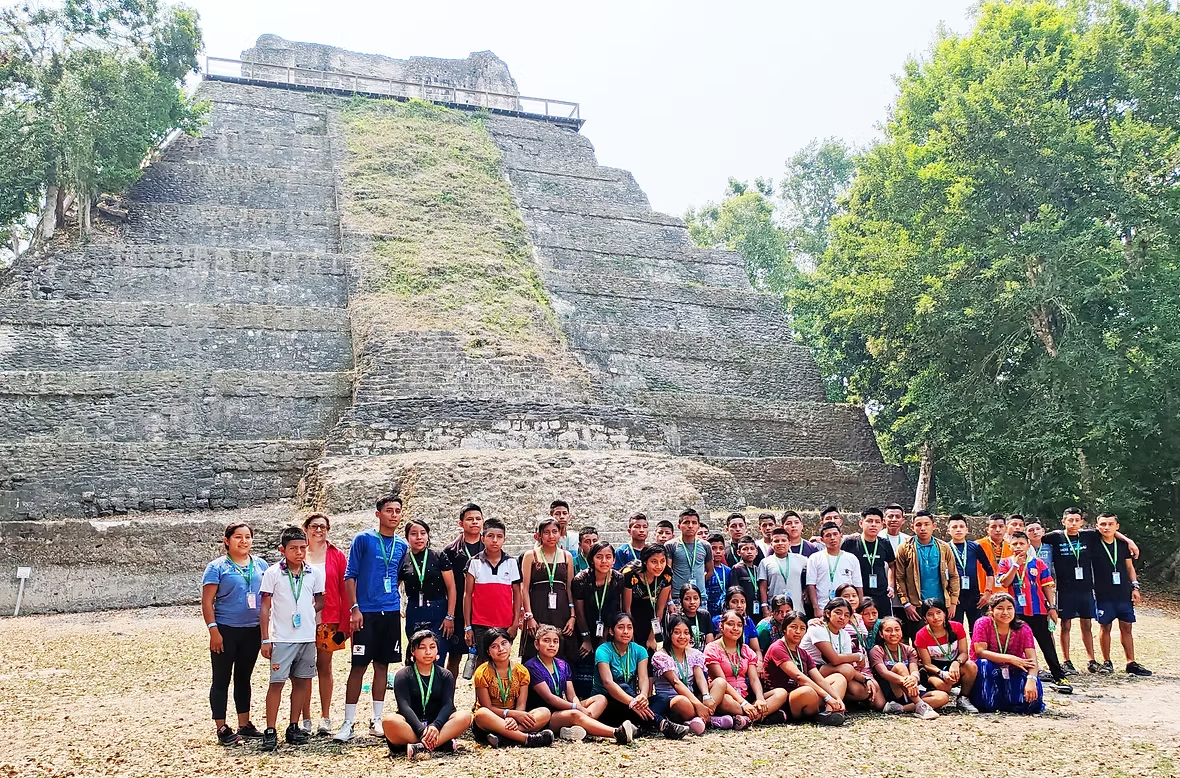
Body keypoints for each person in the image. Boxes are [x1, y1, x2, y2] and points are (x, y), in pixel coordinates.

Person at [336, 496, 409, 742]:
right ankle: (348, 722)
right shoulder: (363, 539)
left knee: (382, 666)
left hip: (390, 612)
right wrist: (354, 608)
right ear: (378, 514)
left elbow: (398, 576)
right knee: (358, 666)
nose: (394, 515)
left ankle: (376, 719)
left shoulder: (401, 545)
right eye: (389, 511)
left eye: (398, 511)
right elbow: (350, 575)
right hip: (365, 612)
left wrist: (395, 600)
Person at [258, 526, 325, 750]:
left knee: (302, 682)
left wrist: (307, 612)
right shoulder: (272, 573)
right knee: (276, 683)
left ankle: (293, 726)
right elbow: (265, 607)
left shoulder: (313, 573)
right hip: (282, 638)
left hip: (307, 638)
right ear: (282, 550)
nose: (299, 552)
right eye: (293, 548)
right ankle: (270, 729)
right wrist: (265, 639)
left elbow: (320, 600)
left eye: (303, 548)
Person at [202, 522, 268, 745]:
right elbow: (207, 602)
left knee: (244, 678)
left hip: (252, 629)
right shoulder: (217, 567)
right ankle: (221, 727)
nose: (244, 541)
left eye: (247, 536)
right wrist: (213, 631)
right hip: (225, 629)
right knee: (221, 679)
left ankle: (244, 723)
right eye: (238, 537)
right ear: (227, 541)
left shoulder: (260, 564)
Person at [523, 624, 638, 744]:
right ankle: (617, 732)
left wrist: (578, 705)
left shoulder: (562, 665)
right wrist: (576, 708)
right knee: (575, 714)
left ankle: (575, 729)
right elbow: (549, 698)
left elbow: (572, 695)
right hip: (546, 715)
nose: (552, 645)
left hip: (562, 708)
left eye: (555, 641)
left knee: (600, 699)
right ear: (536, 644)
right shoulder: (532, 666)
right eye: (546, 641)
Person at [995, 531, 1071, 692]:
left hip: (1038, 611)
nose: (1018, 547)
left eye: (1021, 544)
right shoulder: (1005, 562)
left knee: (1047, 644)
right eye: (1014, 544)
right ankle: (1013, 677)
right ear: (1009, 546)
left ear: (1028, 545)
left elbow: (1046, 586)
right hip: (1015, 612)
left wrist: (1052, 607)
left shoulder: (1038, 563)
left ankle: (1059, 677)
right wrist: (1015, 565)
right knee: (1013, 644)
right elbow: (1005, 582)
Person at [385, 630, 472, 759]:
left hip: (437, 727)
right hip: (411, 726)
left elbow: (448, 705)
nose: (428, 652)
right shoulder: (403, 675)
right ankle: (439, 743)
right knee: (389, 720)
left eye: (432, 647)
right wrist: (421, 731)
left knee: (464, 716)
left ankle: (419, 747)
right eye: (422, 648)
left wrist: (436, 725)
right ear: (413, 651)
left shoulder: (445, 675)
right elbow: (404, 707)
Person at [594, 613, 685, 736]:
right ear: (611, 631)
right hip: (609, 703)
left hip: (631, 705)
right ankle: (661, 723)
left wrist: (643, 695)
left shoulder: (639, 650)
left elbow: (643, 678)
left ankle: (638, 727)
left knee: (663, 699)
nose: (626, 632)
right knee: (622, 686)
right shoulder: (603, 650)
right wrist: (632, 702)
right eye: (621, 627)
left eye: (629, 627)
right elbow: (608, 682)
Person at [299, 513, 349, 736]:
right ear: (306, 529)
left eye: (323, 526)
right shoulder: (298, 552)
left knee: (324, 667)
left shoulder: (336, 555)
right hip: (301, 619)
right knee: (303, 669)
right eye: (314, 526)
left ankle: (325, 716)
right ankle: (305, 718)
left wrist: (345, 623)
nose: (318, 530)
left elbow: (345, 589)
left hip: (328, 618)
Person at [1090, 513, 1152, 676]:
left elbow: (1130, 567)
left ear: (1117, 526)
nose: (1106, 527)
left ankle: (1131, 662)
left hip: (1123, 592)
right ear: (1097, 526)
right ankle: (1107, 662)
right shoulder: (1093, 542)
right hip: (1102, 593)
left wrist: (1135, 587)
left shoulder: (1123, 545)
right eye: (1103, 524)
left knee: (1127, 627)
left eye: (1111, 524)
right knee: (1105, 627)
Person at [471, 628, 554, 748]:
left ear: (510, 644)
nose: (501, 649)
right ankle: (527, 739)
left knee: (544, 712)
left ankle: (503, 737)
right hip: (491, 719)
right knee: (481, 714)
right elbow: (487, 707)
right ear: (488, 652)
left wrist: (514, 718)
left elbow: (521, 704)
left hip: (515, 718)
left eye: (504, 643)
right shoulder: (482, 672)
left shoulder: (521, 671)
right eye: (494, 646)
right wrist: (510, 715)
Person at [704, 610, 788, 727]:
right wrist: (743, 703)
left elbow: (754, 679)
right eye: (730, 624)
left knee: (781, 693)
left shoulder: (746, 649)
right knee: (724, 700)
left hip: (745, 695)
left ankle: (746, 718)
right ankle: (758, 716)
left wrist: (760, 699)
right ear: (721, 626)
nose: (735, 628)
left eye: (739, 625)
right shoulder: (712, 648)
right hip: (726, 695)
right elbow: (722, 682)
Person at [761, 610, 847, 725]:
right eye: (793, 627)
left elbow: (819, 679)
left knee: (838, 678)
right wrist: (827, 697)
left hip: (803, 695)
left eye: (802, 628)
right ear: (785, 629)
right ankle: (816, 715)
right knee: (807, 691)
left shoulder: (803, 653)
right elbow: (798, 677)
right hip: (784, 699)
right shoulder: (777, 647)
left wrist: (837, 698)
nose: (798, 632)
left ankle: (828, 713)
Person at [799, 597, 883, 709]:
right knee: (845, 671)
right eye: (838, 613)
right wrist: (859, 656)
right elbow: (835, 659)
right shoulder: (818, 628)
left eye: (847, 615)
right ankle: (831, 709)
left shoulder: (844, 634)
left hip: (831, 671)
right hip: (810, 671)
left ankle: (832, 701)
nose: (842, 617)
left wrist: (865, 679)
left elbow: (846, 664)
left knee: (862, 690)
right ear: (827, 613)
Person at [969, 593, 1044, 714]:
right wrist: (1010, 658)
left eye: (1009, 608)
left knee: (1032, 704)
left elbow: (1032, 660)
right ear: (991, 610)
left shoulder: (1023, 628)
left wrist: (1031, 680)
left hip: (1013, 670)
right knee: (983, 664)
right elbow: (980, 652)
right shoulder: (983, 623)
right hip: (990, 670)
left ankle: (1008, 701)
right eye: (1000, 608)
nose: (1005, 612)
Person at [463, 518, 523, 668]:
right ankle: (481, 685)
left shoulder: (512, 562)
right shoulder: (474, 562)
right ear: (483, 538)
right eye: (490, 536)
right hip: (480, 623)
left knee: (502, 660)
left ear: (504, 539)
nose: (495, 540)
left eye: (499, 537)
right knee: (483, 662)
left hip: (505, 623)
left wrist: (515, 623)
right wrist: (468, 626)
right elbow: (467, 595)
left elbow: (517, 593)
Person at [651, 615, 725, 733]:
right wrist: (698, 704)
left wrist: (706, 696)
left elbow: (700, 677)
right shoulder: (661, 656)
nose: (682, 636)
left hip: (692, 698)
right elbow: (675, 682)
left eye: (686, 633)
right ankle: (709, 719)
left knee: (720, 682)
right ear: (669, 634)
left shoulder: (695, 654)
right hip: (673, 701)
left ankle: (701, 720)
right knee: (681, 701)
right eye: (677, 632)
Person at [400, 519, 456, 671]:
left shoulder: (439, 556)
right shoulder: (403, 559)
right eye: (414, 534)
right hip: (414, 611)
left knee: (437, 655)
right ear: (407, 537)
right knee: (416, 655)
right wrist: (398, 606)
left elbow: (451, 588)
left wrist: (450, 616)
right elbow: (394, 586)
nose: (419, 537)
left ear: (428, 535)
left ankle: (436, 686)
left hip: (438, 611)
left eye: (423, 533)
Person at [894, 511, 959, 640]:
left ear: (934, 526)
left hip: (941, 603)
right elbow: (899, 577)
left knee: (943, 640)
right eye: (918, 525)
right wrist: (906, 603)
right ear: (912, 527)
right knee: (920, 641)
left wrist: (953, 602)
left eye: (926, 524)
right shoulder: (904, 548)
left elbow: (953, 575)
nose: (923, 528)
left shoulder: (944, 547)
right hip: (917, 605)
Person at [571, 541, 624, 697]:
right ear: (592, 559)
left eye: (608, 557)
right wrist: (586, 638)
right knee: (584, 670)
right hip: (584, 628)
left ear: (614, 559)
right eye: (599, 557)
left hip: (607, 628)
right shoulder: (581, 579)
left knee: (607, 666)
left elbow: (613, 609)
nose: (604, 561)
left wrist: (605, 637)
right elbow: (579, 612)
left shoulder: (618, 578)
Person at [520, 518, 577, 663]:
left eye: (554, 532)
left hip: (561, 610)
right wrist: (529, 616)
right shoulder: (530, 555)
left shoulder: (567, 556)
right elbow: (524, 588)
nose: (551, 536)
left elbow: (570, 588)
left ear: (560, 533)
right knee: (534, 651)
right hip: (537, 609)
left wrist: (572, 616)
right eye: (546, 532)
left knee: (561, 650)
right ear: (539, 535)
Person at [440, 503, 484, 679]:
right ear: (461, 523)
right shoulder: (450, 551)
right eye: (470, 519)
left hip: (483, 611)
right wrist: (449, 615)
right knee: (454, 657)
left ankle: (480, 696)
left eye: (478, 519)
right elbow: (446, 586)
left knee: (483, 659)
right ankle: (449, 694)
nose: (474, 522)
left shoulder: (490, 548)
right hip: (458, 611)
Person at [869, 617, 945, 718]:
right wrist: (905, 681)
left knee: (943, 697)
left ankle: (900, 708)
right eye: (888, 630)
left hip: (910, 689)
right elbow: (883, 672)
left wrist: (913, 678)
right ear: (881, 634)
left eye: (897, 629)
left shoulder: (909, 650)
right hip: (891, 689)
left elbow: (914, 670)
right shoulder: (877, 650)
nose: (893, 633)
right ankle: (920, 705)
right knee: (900, 666)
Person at [913, 599, 979, 713]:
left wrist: (956, 663)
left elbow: (964, 653)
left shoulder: (957, 627)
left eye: (939, 612)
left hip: (955, 665)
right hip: (934, 670)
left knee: (971, 666)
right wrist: (942, 674)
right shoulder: (921, 635)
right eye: (930, 614)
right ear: (924, 618)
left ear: (945, 613)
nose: (935, 617)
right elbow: (927, 664)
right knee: (944, 686)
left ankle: (963, 698)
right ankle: (934, 693)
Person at [621, 543, 672, 653]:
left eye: (662, 561)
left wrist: (651, 637)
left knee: (650, 648)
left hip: (651, 610)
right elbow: (626, 609)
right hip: (631, 611)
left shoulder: (667, 574)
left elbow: (660, 608)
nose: (659, 566)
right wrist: (630, 633)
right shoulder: (630, 574)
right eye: (654, 562)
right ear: (645, 561)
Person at [946, 514, 994, 632]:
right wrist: (949, 595)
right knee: (954, 630)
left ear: (967, 530)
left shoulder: (975, 546)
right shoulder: (945, 548)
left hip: (974, 597)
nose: (958, 529)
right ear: (948, 531)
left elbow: (989, 570)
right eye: (954, 527)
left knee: (977, 630)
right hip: (955, 598)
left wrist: (987, 593)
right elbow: (941, 573)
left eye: (961, 526)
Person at [842, 507, 895, 609]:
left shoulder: (885, 543)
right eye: (869, 521)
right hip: (858, 593)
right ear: (861, 523)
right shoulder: (850, 542)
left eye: (877, 522)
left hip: (881, 593)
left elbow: (892, 565)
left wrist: (891, 585)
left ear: (882, 525)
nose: (873, 525)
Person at [805, 521, 862, 615]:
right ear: (822, 539)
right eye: (828, 535)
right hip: (823, 607)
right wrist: (816, 608)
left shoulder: (851, 558)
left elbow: (858, 585)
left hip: (847, 608)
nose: (832, 538)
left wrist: (858, 608)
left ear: (841, 536)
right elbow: (811, 585)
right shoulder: (814, 558)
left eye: (835, 534)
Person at [664, 509, 714, 605]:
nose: (690, 526)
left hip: (700, 597)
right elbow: (667, 574)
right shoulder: (671, 545)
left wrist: (699, 582)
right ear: (679, 526)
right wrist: (669, 600)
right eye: (686, 522)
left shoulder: (706, 545)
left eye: (694, 523)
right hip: (677, 597)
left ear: (698, 526)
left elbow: (710, 571)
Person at [758, 527, 806, 618]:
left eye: (783, 540)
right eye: (776, 541)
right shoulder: (765, 562)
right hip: (775, 609)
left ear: (789, 543)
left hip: (797, 608)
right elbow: (763, 587)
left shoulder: (801, 560)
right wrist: (765, 607)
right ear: (771, 544)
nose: (780, 543)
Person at [711, 587, 762, 659]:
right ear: (727, 604)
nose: (739, 606)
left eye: (742, 602)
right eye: (734, 602)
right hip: (723, 659)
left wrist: (759, 662)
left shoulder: (748, 621)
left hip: (745, 659)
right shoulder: (717, 621)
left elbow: (756, 650)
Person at [883, 503, 911, 626]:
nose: (894, 519)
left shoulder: (909, 540)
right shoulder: (876, 538)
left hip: (904, 595)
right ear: (884, 520)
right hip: (883, 592)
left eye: (897, 517)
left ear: (903, 520)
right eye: (890, 516)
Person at [728, 536, 761, 619]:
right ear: (739, 552)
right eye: (745, 549)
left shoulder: (757, 569)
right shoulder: (737, 568)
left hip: (757, 607)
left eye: (752, 549)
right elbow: (735, 590)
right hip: (744, 608)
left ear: (756, 552)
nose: (749, 552)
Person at [679, 583, 714, 650]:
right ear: (681, 601)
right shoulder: (677, 618)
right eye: (687, 599)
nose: (692, 602)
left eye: (695, 598)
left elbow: (710, 643)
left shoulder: (705, 615)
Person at [706, 533, 732, 615]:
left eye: (721, 548)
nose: (718, 551)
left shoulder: (728, 570)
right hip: (707, 611)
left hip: (724, 612)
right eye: (713, 548)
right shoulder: (703, 569)